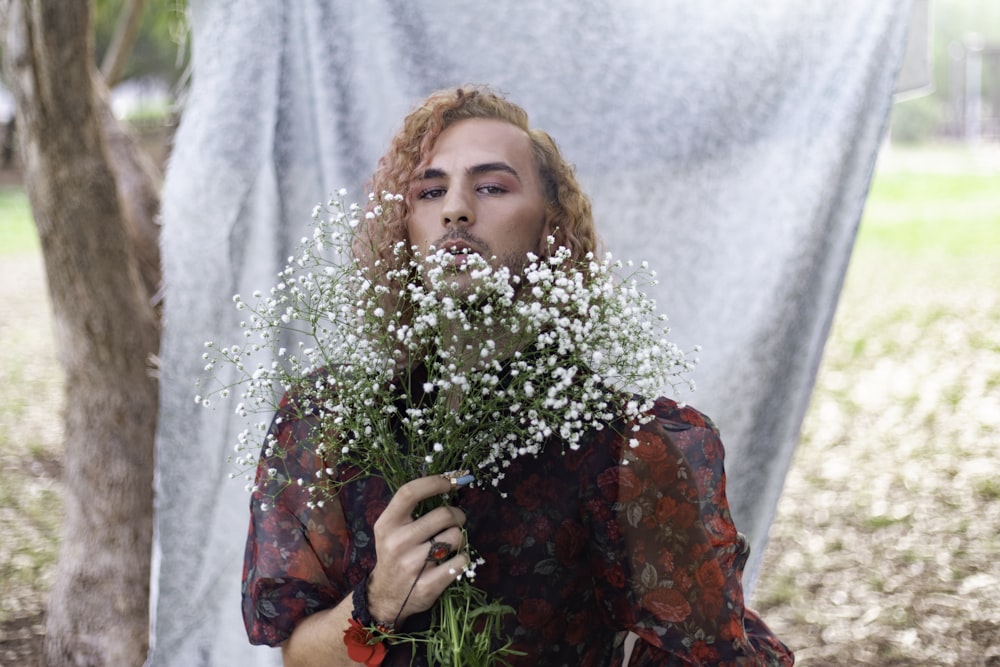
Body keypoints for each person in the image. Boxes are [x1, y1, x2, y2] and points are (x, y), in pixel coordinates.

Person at [242, 85, 794, 666]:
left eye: (490, 186)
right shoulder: (328, 420)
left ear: (550, 229)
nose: (456, 209)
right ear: (404, 229)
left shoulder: (630, 446)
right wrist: (377, 602)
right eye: (431, 190)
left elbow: (706, 652)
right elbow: (298, 656)